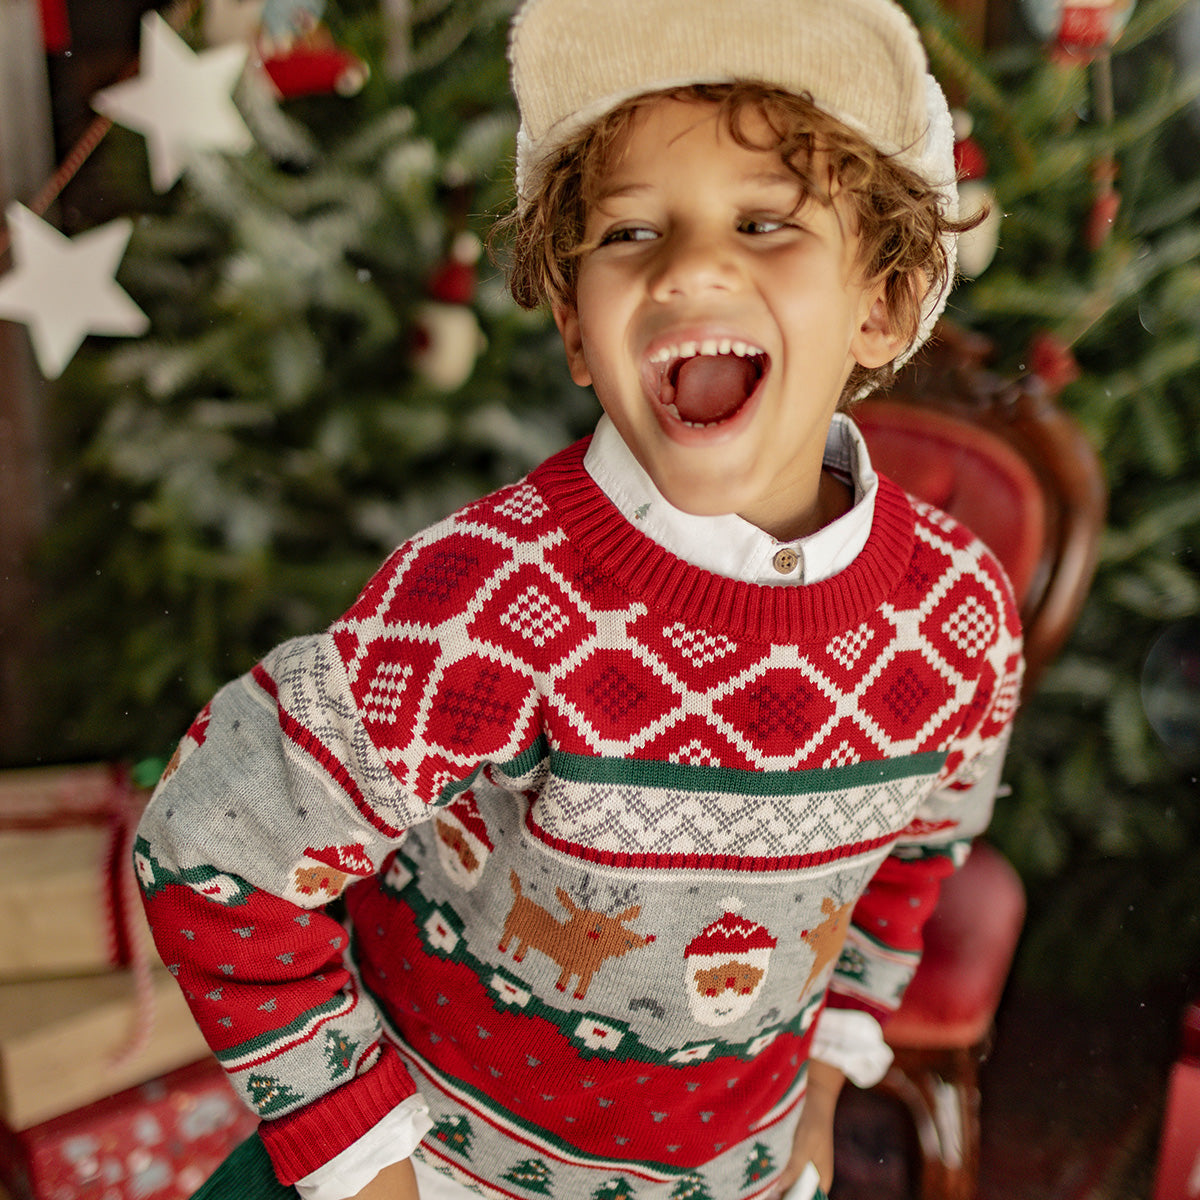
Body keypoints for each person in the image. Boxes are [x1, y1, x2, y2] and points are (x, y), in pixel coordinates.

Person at [135, 2, 1023, 1199]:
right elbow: (213, 849)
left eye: (765, 222)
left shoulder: (955, 616)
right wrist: (367, 1167)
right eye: (630, 231)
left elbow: (918, 860)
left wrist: (820, 1088)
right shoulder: (488, 598)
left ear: (883, 304)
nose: (691, 265)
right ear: (573, 324)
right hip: (424, 1168)